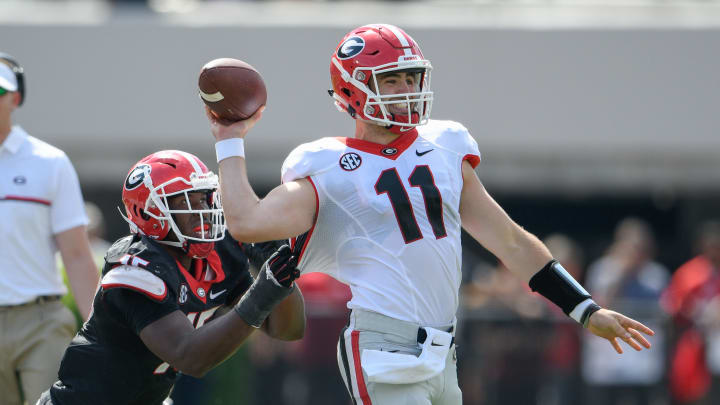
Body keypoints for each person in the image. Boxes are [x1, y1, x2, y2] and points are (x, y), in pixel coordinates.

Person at [205, 24, 655, 405]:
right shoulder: (326, 167)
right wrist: (230, 136)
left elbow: (511, 242)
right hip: (383, 348)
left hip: (444, 350)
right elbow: (246, 222)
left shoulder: (444, 145)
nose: (406, 90)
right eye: (391, 80)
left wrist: (583, 308)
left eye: (410, 77)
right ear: (351, 89)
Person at [37, 150, 306, 405]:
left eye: (204, 199)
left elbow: (288, 330)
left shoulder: (219, 253)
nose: (202, 211)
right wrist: (262, 293)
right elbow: (190, 356)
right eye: (188, 201)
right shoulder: (135, 268)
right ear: (150, 211)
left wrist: (280, 278)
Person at [0, 52, 100, 405]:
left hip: (39, 320)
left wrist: (103, 329)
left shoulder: (49, 162)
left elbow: (75, 254)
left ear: (15, 98)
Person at [582, 218, 668, 405]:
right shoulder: (602, 270)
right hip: (607, 356)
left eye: (639, 247)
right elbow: (597, 305)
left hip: (642, 358)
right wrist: (623, 273)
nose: (634, 252)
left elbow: (664, 310)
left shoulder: (656, 274)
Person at [663, 220, 720, 404]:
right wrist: (693, 310)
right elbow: (673, 306)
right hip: (695, 340)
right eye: (711, 246)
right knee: (694, 392)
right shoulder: (689, 273)